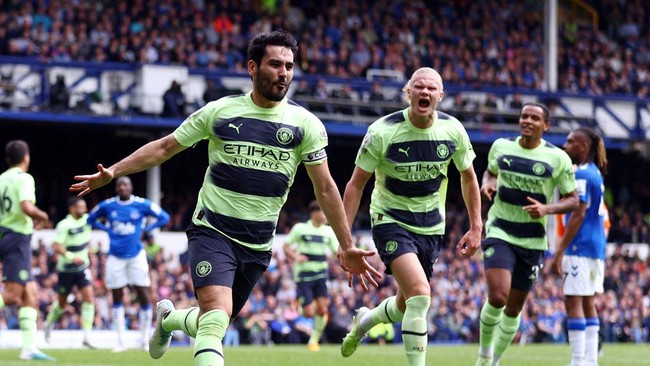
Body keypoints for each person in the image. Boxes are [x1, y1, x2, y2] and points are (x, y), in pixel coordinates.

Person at [70, 30, 381, 366]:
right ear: (252, 67)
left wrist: (346, 244)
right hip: (212, 231)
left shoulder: (306, 125)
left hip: (259, 244)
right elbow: (164, 147)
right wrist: (113, 172)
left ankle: (170, 320)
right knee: (216, 318)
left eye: (289, 66)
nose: (284, 73)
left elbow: (325, 188)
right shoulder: (220, 112)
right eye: (275, 64)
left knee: (215, 321)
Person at [340, 67, 483, 366]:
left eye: (432, 88)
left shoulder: (452, 130)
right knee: (420, 295)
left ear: (440, 96)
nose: (425, 92)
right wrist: (345, 240)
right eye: (419, 87)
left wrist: (476, 226)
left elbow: (468, 177)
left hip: (431, 226)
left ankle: (366, 321)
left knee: (407, 306)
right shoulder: (383, 131)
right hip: (390, 219)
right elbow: (356, 184)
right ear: (408, 92)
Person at [475, 102, 579, 366]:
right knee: (498, 296)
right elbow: (490, 172)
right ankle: (484, 356)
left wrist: (547, 208)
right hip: (500, 230)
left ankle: (495, 360)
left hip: (532, 240)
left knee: (513, 308)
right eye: (524, 116)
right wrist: (487, 182)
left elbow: (573, 199)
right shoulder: (501, 146)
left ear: (546, 125)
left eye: (535, 118)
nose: (528, 121)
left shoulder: (557, 158)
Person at [87, 176, 170, 352]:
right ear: (116, 188)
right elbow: (90, 218)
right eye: (119, 185)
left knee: (144, 295)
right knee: (117, 296)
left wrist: (146, 230)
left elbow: (164, 217)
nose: (122, 187)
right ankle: (120, 341)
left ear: (131, 187)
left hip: (136, 256)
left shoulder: (142, 204)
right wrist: (105, 228)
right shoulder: (108, 206)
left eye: (125, 184)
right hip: (115, 257)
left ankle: (144, 340)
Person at [552, 127, 608, 366]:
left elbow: (578, 214)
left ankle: (578, 361)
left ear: (583, 147)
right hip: (596, 249)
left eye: (570, 141)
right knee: (588, 303)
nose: (565, 145)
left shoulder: (582, 175)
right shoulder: (595, 172)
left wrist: (560, 249)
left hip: (579, 247)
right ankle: (590, 360)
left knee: (573, 302)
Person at [0, 140, 55, 361]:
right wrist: (42, 216)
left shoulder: (2, 178)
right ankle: (29, 348)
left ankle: (29, 348)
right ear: (26, 157)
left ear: (7, 159)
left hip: (5, 234)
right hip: (17, 238)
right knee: (13, 295)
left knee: (30, 294)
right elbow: (26, 206)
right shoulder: (24, 178)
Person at [282, 200, 339, 351]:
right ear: (314, 213)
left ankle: (313, 341)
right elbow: (286, 246)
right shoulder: (300, 229)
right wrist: (296, 257)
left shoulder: (328, 231)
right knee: (308, 313)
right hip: (303, 275)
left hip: (321, 274)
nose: (327, 215)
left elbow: (335, 252)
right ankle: (300, 306)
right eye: (324, 211)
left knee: (322, 309)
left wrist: (342, 258)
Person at [43, 196, 97, 349]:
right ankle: (49, 323)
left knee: (89, 299)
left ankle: (87, 335)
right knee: (62, 303)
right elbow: (56, 246)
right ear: (72, 208)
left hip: (82, 268)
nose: (84, 209)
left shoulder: (87, 220)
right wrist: (71, 257)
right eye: (81, 206)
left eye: (85, 206)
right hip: (66, 269)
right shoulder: (64, 225)